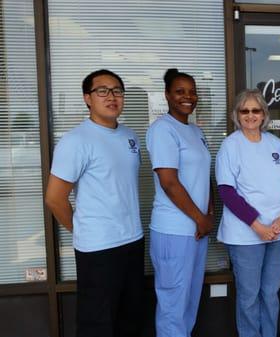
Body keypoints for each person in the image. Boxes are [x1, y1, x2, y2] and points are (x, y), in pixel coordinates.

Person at [45, 69, 144, 337]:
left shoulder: (129, 135)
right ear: (87, 98)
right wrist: (83, 230)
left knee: (130, 318)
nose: (111, 97)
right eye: (102, 91)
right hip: (98, 248)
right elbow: (54, 198)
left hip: (133, 240)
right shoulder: (75, 141)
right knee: (97, 324)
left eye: (117, 91)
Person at [216, 89, 280, 337]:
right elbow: (227, 192)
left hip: (278, 232)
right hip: (246, 235)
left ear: (264, 115)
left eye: (256, 110)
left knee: (270, 293)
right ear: (237, 115)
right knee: (249, 296)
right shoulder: (230, 146)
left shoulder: (275, 144)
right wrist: (257, 225)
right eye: (245, 110)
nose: (250, 115)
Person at [146, 68, 213, 337]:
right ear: (167, 95)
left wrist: (207, 214)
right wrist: (200, 218)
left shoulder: (196, 131)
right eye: (180, 91)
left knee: (189, 302)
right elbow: (169, 182)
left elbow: (204, 176)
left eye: (192, 91)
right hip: (174, 231)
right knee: (173, 304)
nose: (188, 97)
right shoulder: (162, 129)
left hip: (197, 229)